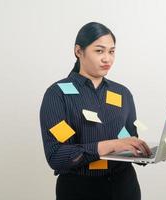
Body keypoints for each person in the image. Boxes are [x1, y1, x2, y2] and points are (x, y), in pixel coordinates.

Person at [39, 22, 151, 200]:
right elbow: (57, 156)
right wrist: (112, 145)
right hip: (79, 190)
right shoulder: (58, 94)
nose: (107, 58)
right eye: (99, 51)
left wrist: (151, 153)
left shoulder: (122, 93)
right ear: (78, 51)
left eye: (111, 51)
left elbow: (130, 143)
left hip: (124, 187)